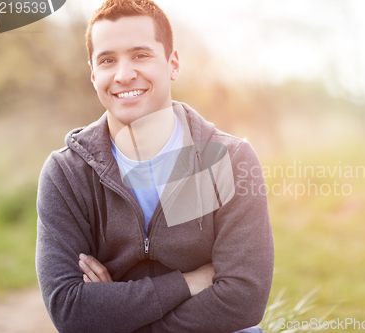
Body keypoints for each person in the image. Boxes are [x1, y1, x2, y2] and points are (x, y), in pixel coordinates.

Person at [35, 0, 274, 332]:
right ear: (93, 74)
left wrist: (116, 315)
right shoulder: (66, 173)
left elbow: (243, 299)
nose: (123, 74)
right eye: (107, 60)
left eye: (140, 55)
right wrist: (189, 283)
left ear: (172, 64)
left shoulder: (230, 160)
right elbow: (70, 310)